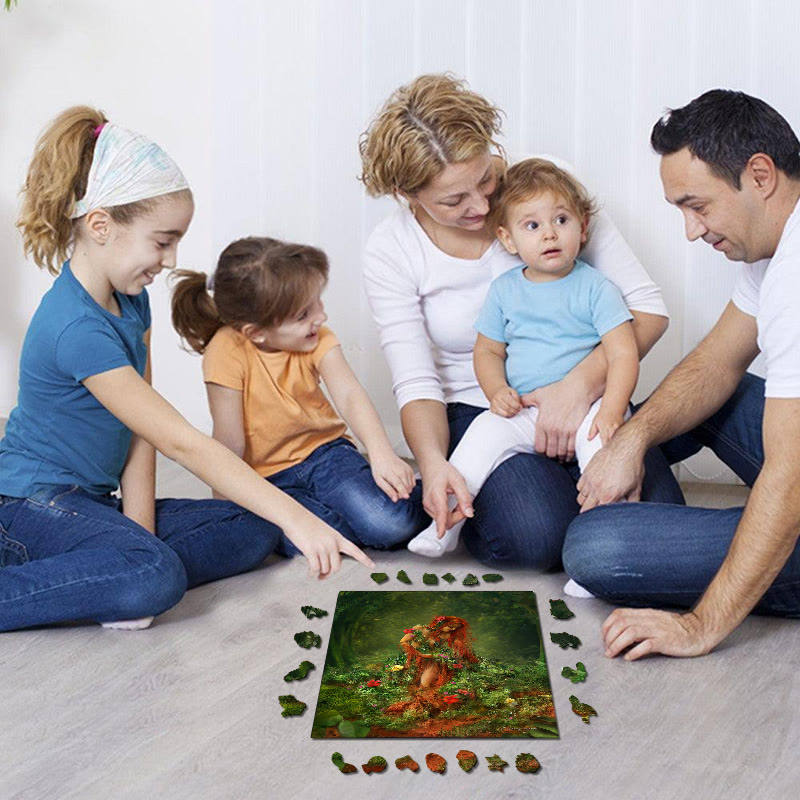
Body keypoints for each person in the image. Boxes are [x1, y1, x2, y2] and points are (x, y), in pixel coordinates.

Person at [0, 107, 373, 633]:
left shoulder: (132, 301)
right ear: (101, 226)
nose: (172, 259)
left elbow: (144, 435)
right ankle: (114, 575)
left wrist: (140, 532)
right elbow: (181, 441)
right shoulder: (75, 328)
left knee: (252, 525)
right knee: (153, 576)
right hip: (31, 504)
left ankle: (109, 572)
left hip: (93, 502)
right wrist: (300, 519)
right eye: (162, 241)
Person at [360, 73, 683, 569]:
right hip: (482, 407)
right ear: (408, 194)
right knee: (538, 536)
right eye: (454, 200)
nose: (482, 206)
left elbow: (647, 310)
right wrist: (434, 464)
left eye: (484, 179)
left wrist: (577, 388)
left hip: (589, 389)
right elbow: (417, 382)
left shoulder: (547, 192)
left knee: (657, 518)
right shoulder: (392, 249)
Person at [563, 89, 800, 659]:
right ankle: (613, 481)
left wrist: (699, 626)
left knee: (596, 547)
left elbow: (791, 477)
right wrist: (631, 441)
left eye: (698, 206)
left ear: (760, 175)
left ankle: (648, 527)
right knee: (717, 395)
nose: (693, 231)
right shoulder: (774, 246)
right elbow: (716, 362)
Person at [407, 158, 638, 558]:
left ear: (583, 227)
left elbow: (622, 353)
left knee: (604, 463)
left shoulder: (596, 288)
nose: (549, 233)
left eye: (561, 220)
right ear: (508, 239)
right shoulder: (505, 291)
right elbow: (488, 350)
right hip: (525, 408)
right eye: (532, 226)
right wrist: (496, 391)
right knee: (480, 437)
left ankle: (603, 552)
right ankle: (445, 525)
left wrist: (612, 411)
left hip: (589, 408)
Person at [170, 237, 428, 555]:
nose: (321, 317)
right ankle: (357, 515)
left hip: (326, 454)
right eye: (304, 314)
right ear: (256, 332)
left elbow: (349, 395)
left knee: (389, 524)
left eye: (318, 302)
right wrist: (228, 507)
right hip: (267, 477)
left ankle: (427, 491)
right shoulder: (225, 350)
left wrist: (382, 454)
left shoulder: (317, 338)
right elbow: (228, 439)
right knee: (297, 540)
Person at [386, 615, 479, 713]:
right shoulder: (420, 629)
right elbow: (403, 642)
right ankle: (414, 707)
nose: (453, 629)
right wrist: (416, 653)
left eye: (455, 628)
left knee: (425, 684)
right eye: (451, 626)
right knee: (407, 682)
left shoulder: (448, 635)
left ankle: (424, 708)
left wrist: (459, 654)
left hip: (430, 660)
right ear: (441, 623)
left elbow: (457, 648)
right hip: (413, 658)